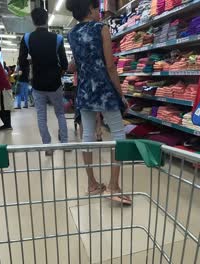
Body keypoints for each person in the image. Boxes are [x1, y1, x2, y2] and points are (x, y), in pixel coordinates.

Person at [67, 0, 131, 204]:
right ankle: (113, 186)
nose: (100, 13)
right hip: (104, 88)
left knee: (87, 135)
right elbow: (111, 66)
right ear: (90, 9)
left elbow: (74, 66)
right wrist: (120, 94)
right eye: (97, 9)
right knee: (118, 134)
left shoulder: (72, 33)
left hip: (85, 89)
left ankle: (92, 184)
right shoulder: (102, 29)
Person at [18, 7, 69, 155]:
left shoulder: (27, 38)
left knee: (41, 116)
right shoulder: (58, 39)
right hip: (55, 83)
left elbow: (22, 61)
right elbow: (65, 64)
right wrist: (58, 73)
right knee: (60, 113)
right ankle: (65, 144)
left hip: (38, 84)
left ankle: (47, 147)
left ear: (33, 21)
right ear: (47, 20)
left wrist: (30, 73)